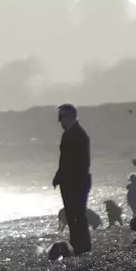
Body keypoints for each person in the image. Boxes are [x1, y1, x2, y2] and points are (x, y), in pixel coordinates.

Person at [52, 103, 92, 255]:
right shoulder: (69, 133)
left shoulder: (78, 135)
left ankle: (82, 246)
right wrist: (59, 176)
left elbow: (80, 162)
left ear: (69, 117)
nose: (60, 121)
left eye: (62, 117)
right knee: (72, 214)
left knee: (78, 214)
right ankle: (78, 244)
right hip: (70, 181)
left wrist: (68, 177)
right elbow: (65, 160)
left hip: (77, 182)